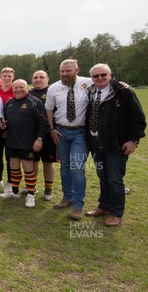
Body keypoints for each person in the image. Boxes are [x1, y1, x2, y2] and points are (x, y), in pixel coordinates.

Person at [84, 63, 146, 227]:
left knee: (114, 179)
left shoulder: (124, 93)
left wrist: (133, 140)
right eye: (96, 76)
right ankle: (104, 207)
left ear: (110, 75)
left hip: (115, 144)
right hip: (97, 143)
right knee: (103, 177)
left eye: (103, 74)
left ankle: (116, 213)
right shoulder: (91, 91)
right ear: (92, 78)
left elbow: (138, 118)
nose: (100, 78)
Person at [45, 59, 92, 220]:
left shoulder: (89, 83)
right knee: (65, 167)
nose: (65, 74)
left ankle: (78, 205)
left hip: (80, 132)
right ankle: (67, 197)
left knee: (77, 168)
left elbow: (106, 85)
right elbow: (49, 109)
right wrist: (51, 128)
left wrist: (122, 84)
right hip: (61, 132)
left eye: (68, 71)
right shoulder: (54, 88)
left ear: (77, 70)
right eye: (62, 71)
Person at [0, 79, 49, 208]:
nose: (18, 90)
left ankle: (31, 195)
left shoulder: (34, 102)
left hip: (28, 142)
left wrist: (39, 139)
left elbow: (43, 122)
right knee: (13, 166)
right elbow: (6, 121)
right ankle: (15, 192)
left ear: (27, 88)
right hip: (12, 141)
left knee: (28, 168)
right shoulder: (9, 103)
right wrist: (3, 125)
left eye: (21, 87)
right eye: (15, 88)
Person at [29, 70, 57, 201]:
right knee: (32, 161)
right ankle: (32, 187)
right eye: (35, 77)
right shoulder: (27, 94)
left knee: (48, 162)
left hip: (49, 134)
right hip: (31, 135)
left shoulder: (53, 92)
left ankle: (48, 189)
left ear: (48, 79)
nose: (38, 79)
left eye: (41, 77)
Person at [0, 67, 15, 192]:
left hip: (12, 131)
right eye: (4, 76)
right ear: (0, 77)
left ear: (13, 77)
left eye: (9, 76)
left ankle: (11, 182)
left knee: (10, 157)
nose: (7, 78)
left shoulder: (16, 91)